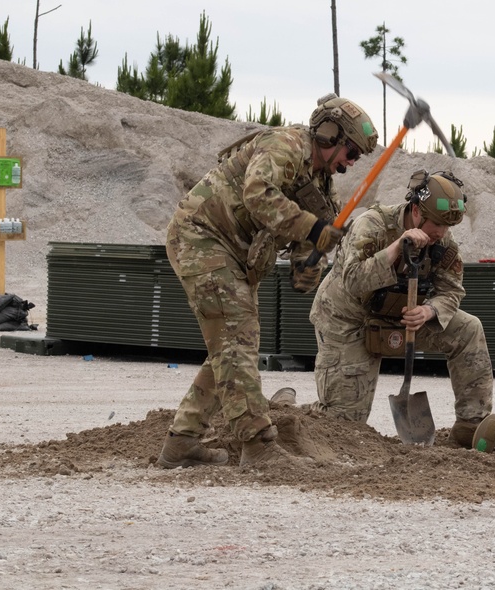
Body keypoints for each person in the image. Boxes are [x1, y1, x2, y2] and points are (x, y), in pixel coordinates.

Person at [156, 94, 379, 469]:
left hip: (236, 256)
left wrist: (306, 265)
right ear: (328, 135)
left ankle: (182, 443)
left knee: (230, 347)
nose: (350, 163)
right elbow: (258, 194)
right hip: (202, 238)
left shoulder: (321, 186)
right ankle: (258, 445)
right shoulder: (286, 145)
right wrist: (314, 228)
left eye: (356, 158)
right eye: (350, 152)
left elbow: (304, 240)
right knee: (237, 341)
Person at [310, 169, 493, 448]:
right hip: (349, 318)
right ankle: (295, 417)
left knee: (469, 329)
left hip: (405, 315)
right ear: (417, 211)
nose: (442, 233)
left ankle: (470, 427)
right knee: (344, 425)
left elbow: (452, 290)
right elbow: (354, 281)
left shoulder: (442, 242)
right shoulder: (371, 225)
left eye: (448, 227)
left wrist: (429, 311)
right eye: (438, 225)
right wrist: (396, 247)